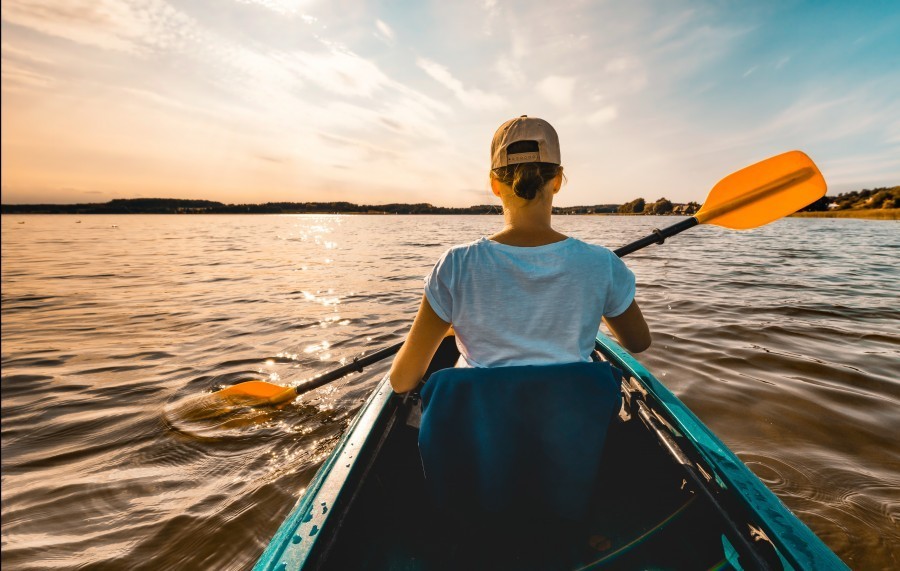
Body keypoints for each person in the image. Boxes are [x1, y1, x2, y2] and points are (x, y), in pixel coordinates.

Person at [389, 116, 650, 393]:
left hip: (481, 428)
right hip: (573, 428)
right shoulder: (601, 263)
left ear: (495, 184)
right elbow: (638, 342)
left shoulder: (456, 265)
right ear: (558, 180)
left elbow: (401, 381)